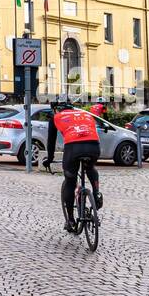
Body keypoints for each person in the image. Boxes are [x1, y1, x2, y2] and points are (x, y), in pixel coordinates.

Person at [44, 98, 102, 232]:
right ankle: (97, 193)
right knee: (90, 167)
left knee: (70, 181)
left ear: (56, 109)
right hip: (94, 146)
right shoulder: (85, 114)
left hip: (73, 148)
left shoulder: (56, 117)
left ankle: (70, 220)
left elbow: (51, 142)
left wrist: (49, 159)